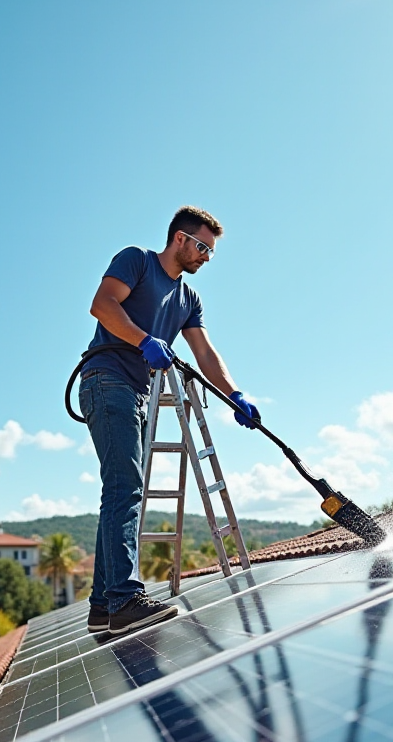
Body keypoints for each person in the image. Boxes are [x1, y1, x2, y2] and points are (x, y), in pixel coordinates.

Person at [80, 205, 261, 635]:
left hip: (137, 392)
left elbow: (204, 353)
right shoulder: (137, 261)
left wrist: (233, 394)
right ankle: (124, 598)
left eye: (211, 252)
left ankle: (103, 606)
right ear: (179, 238)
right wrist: (144, 340)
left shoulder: (188, 299)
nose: (205, 257)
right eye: (202, 247)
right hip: (106, 380)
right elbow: (102, 305)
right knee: (126, 488)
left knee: (123, 490)